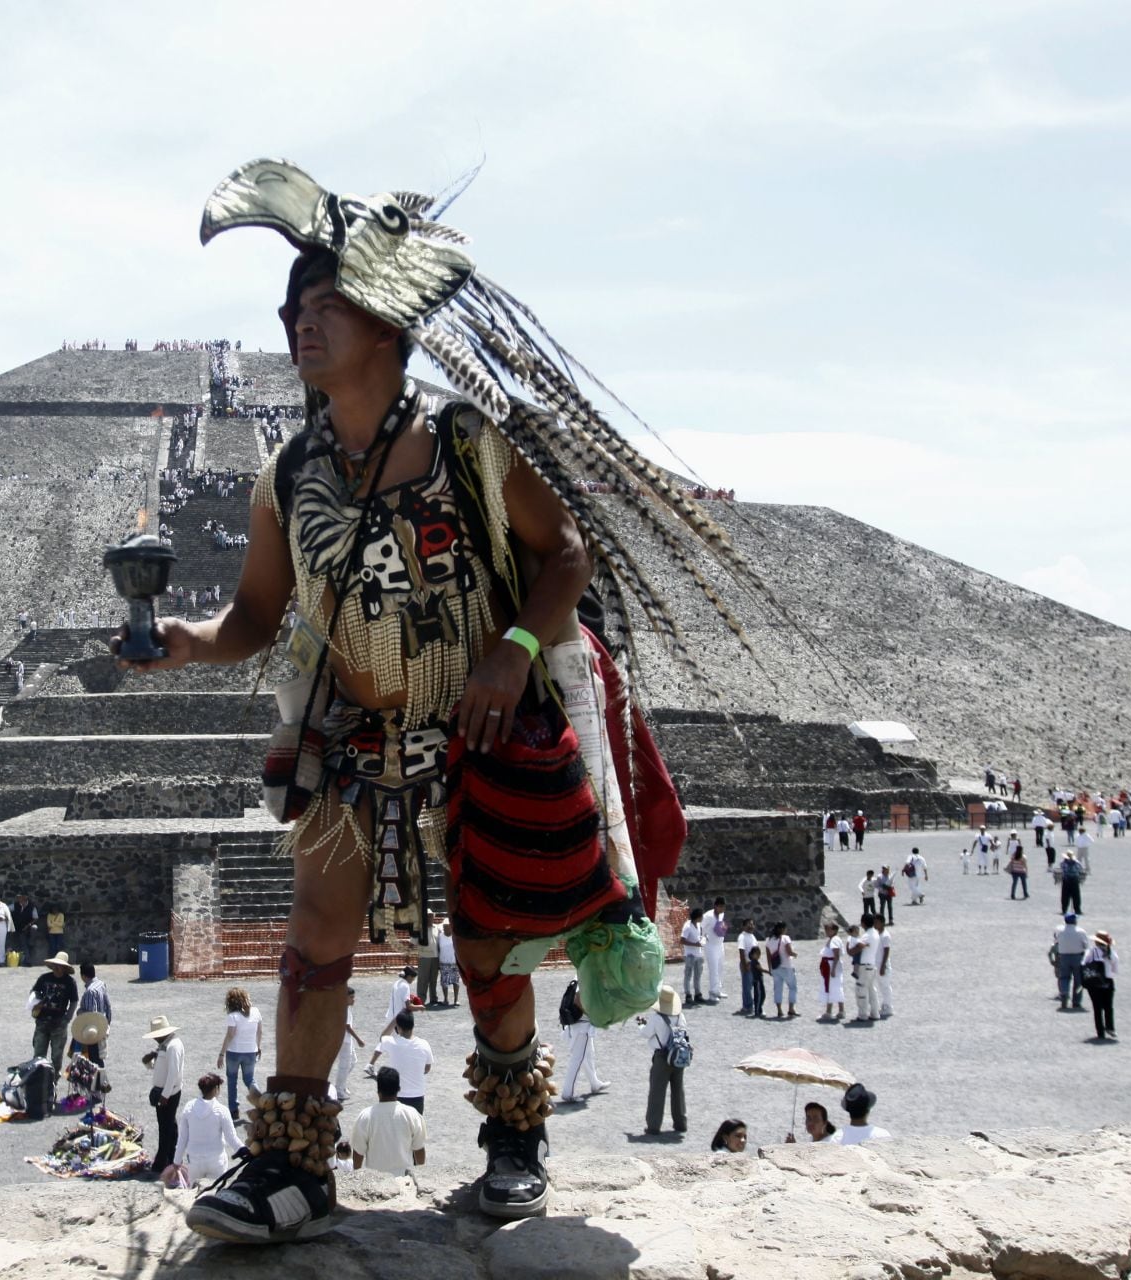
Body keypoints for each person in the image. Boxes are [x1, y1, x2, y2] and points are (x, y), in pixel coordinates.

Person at [165, 159, 717, 1242]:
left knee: (491, 939)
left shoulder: (469, 443)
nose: (297, 323)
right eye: (290, 308)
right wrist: (181, 643)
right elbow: (253, 619)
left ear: (385, 319)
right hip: (349, 738)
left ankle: (514, 1141)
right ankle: (290, 1161)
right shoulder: (283, 475)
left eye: (322, 303)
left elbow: (568, 555)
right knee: (316, 936)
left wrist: (514, 648)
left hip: (478, 729)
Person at [349, 1066, 427, 1176]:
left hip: (376, 1181)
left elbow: (358, 1152)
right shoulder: (411, 1114)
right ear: (399, 1089)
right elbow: (419, 1148)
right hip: (404, 1179)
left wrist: (357, 1176)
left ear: (378, 1091)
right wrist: (421, 1175)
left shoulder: (365, 1116)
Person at [176, 1073, 242, 1184]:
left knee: (194, 1195)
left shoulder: (188, 1107)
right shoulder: (222, 1110)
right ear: (216, 1089)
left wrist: (176, 1161)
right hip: (216, 1161)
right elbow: (231, 1138)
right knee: (215, 1195)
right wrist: (243, 1150)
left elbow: (182, 1138)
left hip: (194, 1161)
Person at [640, 986, 688, 1136]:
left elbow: (646, 1034)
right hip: (678, 1055)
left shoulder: (656, 1018)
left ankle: (653, 1126)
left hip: (662, 1057)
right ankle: (681, 1123)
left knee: (657, 1091)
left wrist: (641, 1024)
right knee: (678, 1090)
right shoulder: (680, 1016)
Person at [368, 1009, 434, 1112]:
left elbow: (382, 1038)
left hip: (397, 1096)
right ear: (413, 1025)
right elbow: (427, 1068)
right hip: (418, 1095)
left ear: (398, 1027)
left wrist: (395, 1019)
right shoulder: (424, 1044)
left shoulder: (392, 1042)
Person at [143, 1016, 185, 1176]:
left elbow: (173, 1073)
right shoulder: (165, 1045)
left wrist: (165, 1095)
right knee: (170, 1126)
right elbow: (160, 1068)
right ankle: (172, 1157)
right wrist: (148, 1062)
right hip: (165, 1091)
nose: (154, 1038)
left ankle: (161, 1162)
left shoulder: (172, 1047)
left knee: (165, 1128)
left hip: (168, 1093)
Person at [29, 951, 79, 1071]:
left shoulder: (70, 982)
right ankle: (38, 1079)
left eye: (59, 966)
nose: (57, 968)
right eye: (55, 965)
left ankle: (53, 1081)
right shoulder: (44, 978)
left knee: (56, 1057)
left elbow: (74, 1001)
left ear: (64, 968)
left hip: (59, 1023)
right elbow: (33, 992)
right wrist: (37, 1002)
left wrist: (67, 1018)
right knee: (38, 1054)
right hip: (42, 1022)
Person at [556, 977, 603, 1103]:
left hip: (576, 1025)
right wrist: (592, 1013)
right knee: (577, 1059)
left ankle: (595, 1083)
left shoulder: (579, 978)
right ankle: (568, 1093)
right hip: (583, 1026)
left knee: (588, 1055)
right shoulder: (586, 980)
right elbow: (578, 999)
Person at [217, 987, 264, 1098]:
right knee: (249, 1079)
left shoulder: (232, 1016)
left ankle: (234, 1109)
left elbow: (230, 1035)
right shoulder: (256, 1011)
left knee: (232, 1081)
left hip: (234, 1051)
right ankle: (261, 1100)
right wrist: (258, 1047)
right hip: (251, 1051)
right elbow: (260, 1031)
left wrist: (221, 1054)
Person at [1083, 930, 1120, 1041]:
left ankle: (1100, 1032)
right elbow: (1115, 970)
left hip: (1094, 982)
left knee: (1097, 1007)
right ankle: (1110, 1027)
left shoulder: (1092, 952)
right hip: (1108, 981)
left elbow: (1084, 963)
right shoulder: (1112, 953)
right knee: (1108, 1006)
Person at [332, 986, 366, 1101]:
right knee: (344, 1065)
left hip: (347, 1040)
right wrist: (359, 1039)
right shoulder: (344, 1009)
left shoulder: (346, 1008)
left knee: (353, 1061)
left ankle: (342, 1085)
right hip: (344, 1041)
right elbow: (347, 1027)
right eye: (351, 997)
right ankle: (339, 1090)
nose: (353, 999)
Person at [76, 961, 112, 1064]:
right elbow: (108, 1005)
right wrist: (107, 1023)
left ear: (83, 976)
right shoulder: (101, 984)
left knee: (94, 1059)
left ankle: (101, 1080)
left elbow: (91, 1015)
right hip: (102, 1025)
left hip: (92, 1031)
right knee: (98, 1057)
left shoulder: (90, 991)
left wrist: (79, 1011)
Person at [1053, 912, 1089, 1011]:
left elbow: (1056, 942)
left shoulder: (1060, 930)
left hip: (1063, 956)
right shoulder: (1081, 931)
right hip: (1078, 957)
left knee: (1064, 977)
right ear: (1075, 921)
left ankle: (1064, 993)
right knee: (1079, 981)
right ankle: (1076, 1002)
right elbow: (1086, 945)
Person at [817, 921, 845, 1021]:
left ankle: (829, 1011)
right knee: (835, 987)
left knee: (831, 988)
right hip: (829, 965)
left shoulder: (835, 940)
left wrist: (833, 969)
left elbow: (836, 955)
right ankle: (841, 1011)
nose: (826, 931)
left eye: (828, 929)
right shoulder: (832, 939)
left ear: (834, 930)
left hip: (831, 966)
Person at [768, 922, 797, 1019]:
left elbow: (768, 956)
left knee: (778, 989)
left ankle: (779, 1010)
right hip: (786, 966)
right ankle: (791, 1009)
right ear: (783, 929)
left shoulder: (769, 940)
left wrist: (770, 969)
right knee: (792, 987)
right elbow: (789, 952)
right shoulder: (785, 938)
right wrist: (795, 954)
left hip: (775, 967)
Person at [381, 965, 416, 1038]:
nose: (413, 980)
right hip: (399, 1021)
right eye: (413, 978)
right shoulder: (406, 986)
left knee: (386, 1042)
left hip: (390, 1018)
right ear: (409, 976)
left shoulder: (397, 983)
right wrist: (420, 1007)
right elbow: (408, 1006)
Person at [679, 907, 705, 1005]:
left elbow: (698, 937)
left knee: (698, 975)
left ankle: (698, 994)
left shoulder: (698, 925)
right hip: (690, 955)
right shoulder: (687, 926)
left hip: (698, 954)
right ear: (698, 917)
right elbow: (682, 940)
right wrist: (695, 944)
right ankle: (688, 995)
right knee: (688, 975)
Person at [870, 916, 894, 1019]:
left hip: (882, 964)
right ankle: (884, 1005)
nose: (875, 924)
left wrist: (883, 966)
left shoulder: (885, 936)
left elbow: (886, 951)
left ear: (882, 923)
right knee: (881, 985)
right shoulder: (876, 934)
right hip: (877, 963)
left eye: (877, 922)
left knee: (885, 986)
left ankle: (888, 1006)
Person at [704, 899, 728, 1003]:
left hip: (720, 944)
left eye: (723, 907)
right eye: (720, 907)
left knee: (720, 967)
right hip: (711, 945)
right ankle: (712, 993)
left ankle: (718, 990)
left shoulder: (722, 915)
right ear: (715, 906)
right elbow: (700, 928)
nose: (722, 909)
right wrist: (704, 938)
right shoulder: (708, 916)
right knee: (713, 969)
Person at [12, 893, 42, 966]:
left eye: (20, 898)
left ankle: (31, 941)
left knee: (34, 928)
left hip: (29, 928)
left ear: (25, 898)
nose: (19, 899)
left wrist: (28, 925)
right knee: (24, 944)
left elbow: (36, 918)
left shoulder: (32, 907)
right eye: (18, 898)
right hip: (20, 929)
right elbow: (6, 908)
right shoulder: (15, 905)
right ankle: (28, 961)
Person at [1055, 849, 1085, 916]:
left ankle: (1064, 909)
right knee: (1076, 896)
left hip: (1066, 881)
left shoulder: (1063, 863)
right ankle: (1077, 910)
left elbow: (1061, 868)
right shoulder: (1077, 863)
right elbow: (1080, 869)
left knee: (1065, 896)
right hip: (1075, 881)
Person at [437, 920, 460, 1007]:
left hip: (454, 963)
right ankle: (445, 999)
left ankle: (456, 999)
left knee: (456, 982)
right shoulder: (440, 937)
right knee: (444, 983)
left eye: (447, 926)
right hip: (444, 963)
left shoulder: (455, 936)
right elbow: (438, 949)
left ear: (451, 927)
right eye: (444, 926)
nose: (446, 928)